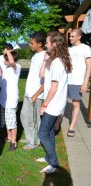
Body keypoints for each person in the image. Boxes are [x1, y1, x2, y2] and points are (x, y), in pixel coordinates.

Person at [37, 31, 72, 174]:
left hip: (53, 104)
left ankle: (54, 163)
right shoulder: (57, 60)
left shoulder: (58, 63)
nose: (45, 45)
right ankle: (48, 157)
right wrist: (46, 60)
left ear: (54, 44)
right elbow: (42, 75)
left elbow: (54, 86)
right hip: (56, 103)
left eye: (47, 42)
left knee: (42, 134)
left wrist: (44, 105)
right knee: (50, 131)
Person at [20, 32, 46, 150]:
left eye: (32, 43)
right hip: (28, 93)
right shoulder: (36, 55)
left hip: (36, 94)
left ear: (40, 44)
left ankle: (35, 142)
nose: (29, 45)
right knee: (24, 116)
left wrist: (36, 94)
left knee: (34, 120)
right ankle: (29, 137)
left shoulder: (46, 56)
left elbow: (47, 80)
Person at [67, 29, 91, 137]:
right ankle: (57, 124)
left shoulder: (86, 48)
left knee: (75, 104)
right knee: (61, 102)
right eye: (70, 36)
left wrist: (85, 83)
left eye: (72, 36)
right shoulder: (69, 49)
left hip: (78, 81)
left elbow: (89, 66)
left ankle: (71, 127)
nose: (70, 38)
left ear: (79, 37)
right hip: (67, 80)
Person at [0, 50, 21, 151]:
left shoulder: (16, 67)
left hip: (11, 101)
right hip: (4, 100)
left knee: (12, 122)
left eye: (6, 58)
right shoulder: (7, 69)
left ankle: (14, 142)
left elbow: (12, 62)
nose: (5, 60)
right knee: (8, 121)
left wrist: (8, 51)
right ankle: (9, 137)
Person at [0, 43, 13, 132]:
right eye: (5, 50)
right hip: (0, 84)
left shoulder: (13, 60)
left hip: (10, 86)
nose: (7, 51)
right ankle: (2, 124)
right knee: (0, 105)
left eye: (9, 50)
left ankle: (8, 124)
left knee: (8, 106)